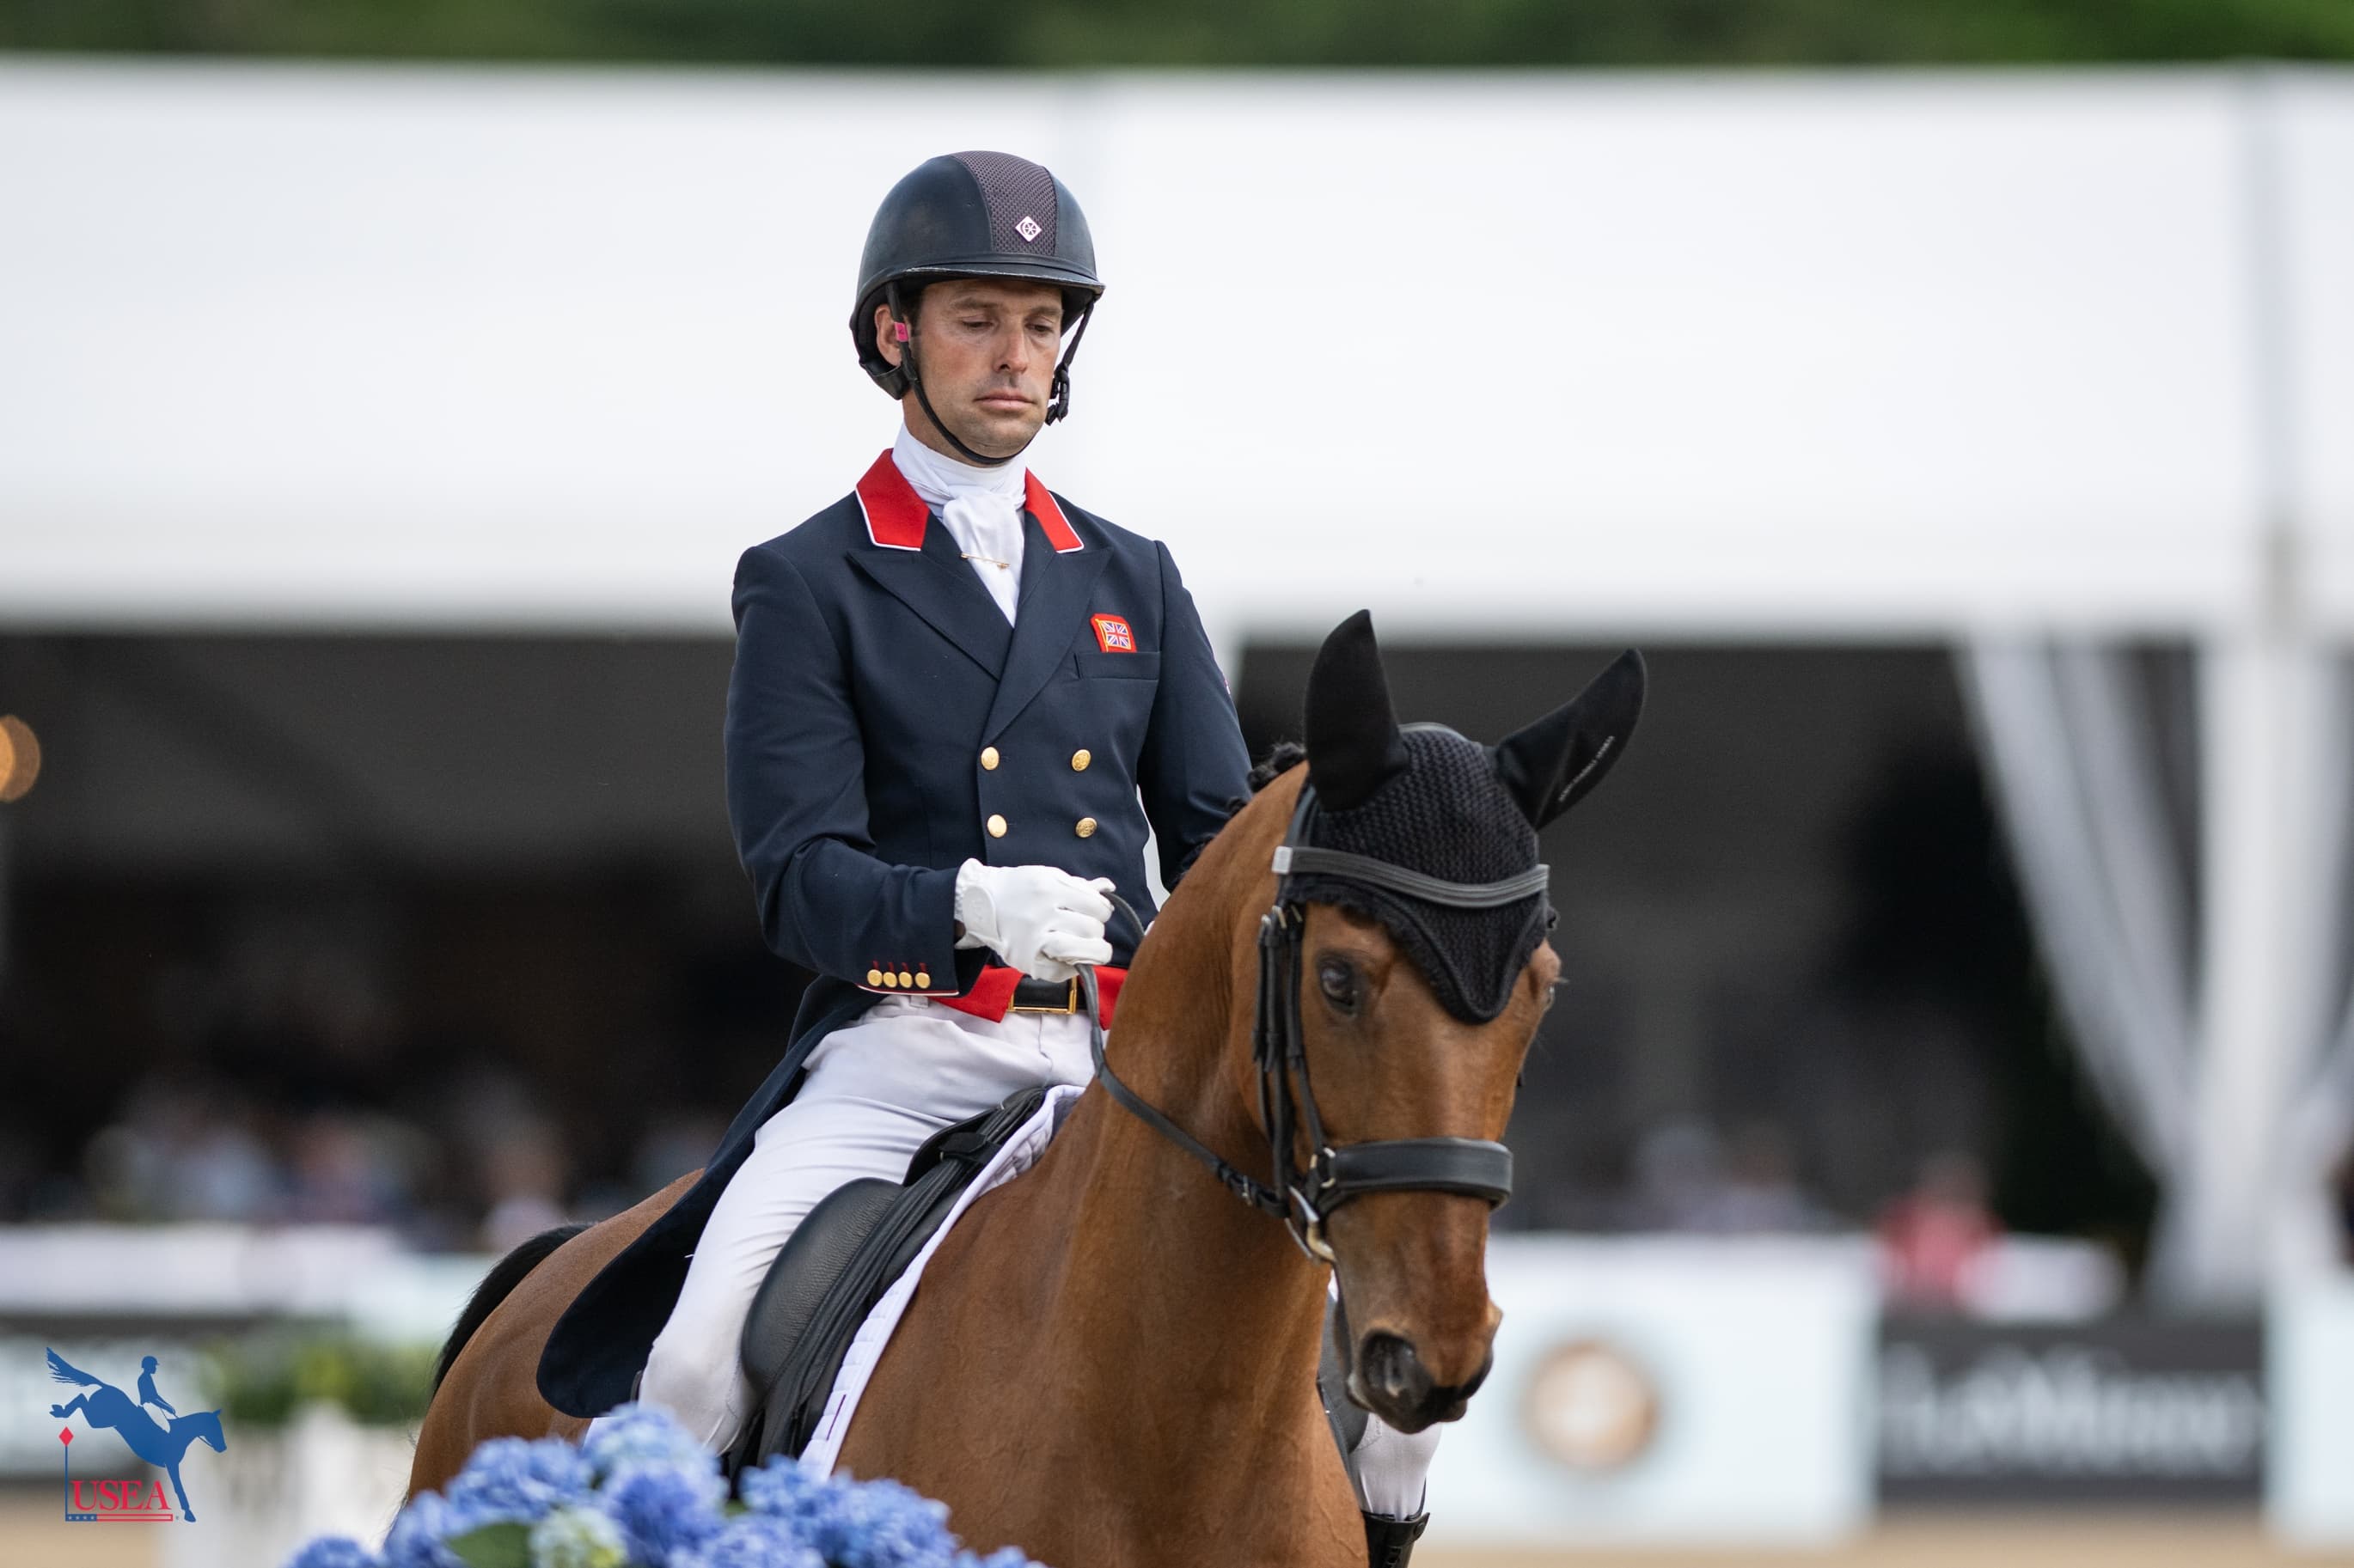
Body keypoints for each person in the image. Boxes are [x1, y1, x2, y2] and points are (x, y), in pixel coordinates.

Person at [535, 153, 1448, 1549]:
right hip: (904, 1051)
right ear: (897, 333)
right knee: (693, 1365)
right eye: (977, 319)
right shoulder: (812, 578)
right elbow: (796, 878)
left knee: (1383, 1375)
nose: (1016, 356)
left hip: (1119, 1056)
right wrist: (967, 905)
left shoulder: (1131, 572)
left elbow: (1217, 850)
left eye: (1041, 323)